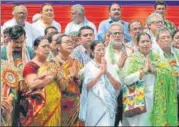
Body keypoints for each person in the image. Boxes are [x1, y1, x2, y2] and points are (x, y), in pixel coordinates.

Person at [20, 36, 67, 126]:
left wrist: (59, 77)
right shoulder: (30, 66)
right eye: (44, 46)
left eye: (48, 47)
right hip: (38, 109)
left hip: (54, 106)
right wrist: (51, 77)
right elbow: (33, 84)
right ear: (35, 49)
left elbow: (64, 87)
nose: (47, 49)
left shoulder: (53, 64)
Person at [79, 41, 120, 126]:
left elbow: (117, 86)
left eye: (103, 49)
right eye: (98, 50)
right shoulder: (88, 66)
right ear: (92, 52)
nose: (101, 52)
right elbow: (87, 85)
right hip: (94, 102)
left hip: (109, 103)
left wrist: (107, 73)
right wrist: (100, 72)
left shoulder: (110, 66)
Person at [122, 32, 159, 126]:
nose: (145, 44)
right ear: (137, 44)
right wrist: (143, 71)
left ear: (151, 43)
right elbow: (126, 79)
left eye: (147, 41)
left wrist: (154, 70)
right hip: (138, 98)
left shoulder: (157, 57)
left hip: (156, 97)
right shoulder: (131, 59)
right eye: (143, 42)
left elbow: (165, 75)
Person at [150, 27, 178, 126]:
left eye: (168, 37)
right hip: (162, 96)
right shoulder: (153, 56)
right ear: (157, 41)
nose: (166, 39)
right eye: (163, 38)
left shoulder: (177, 53)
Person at [54, 34, 82, 126]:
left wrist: (77, 77)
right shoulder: (52, 64)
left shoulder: (76, 62)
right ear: (58, 46)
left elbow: (83, 84)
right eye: (67, 42)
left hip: (75, 104)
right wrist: (69, 76)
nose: (70, 44)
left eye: (71, 42)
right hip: (58, 104)